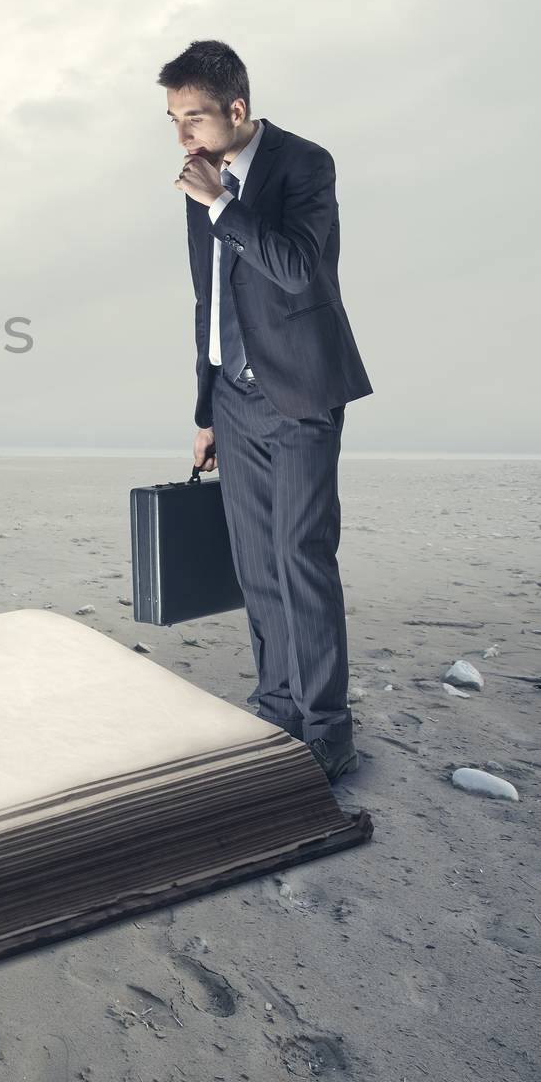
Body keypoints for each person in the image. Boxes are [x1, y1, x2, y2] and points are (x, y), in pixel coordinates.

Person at [157, 39, 373, 782]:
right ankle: (278, 707)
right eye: (172, 120)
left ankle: (327, 731)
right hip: (235, 400)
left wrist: (219, 202)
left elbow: (293, 267)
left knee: (301, 556)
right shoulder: (200, 182)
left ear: (236, 109)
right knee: (255, 564)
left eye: (193, 118)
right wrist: (205, 408)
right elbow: (208, 301)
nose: (183, 137)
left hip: (303, 392)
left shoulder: (304, 165)